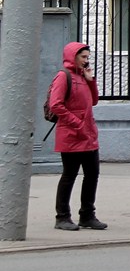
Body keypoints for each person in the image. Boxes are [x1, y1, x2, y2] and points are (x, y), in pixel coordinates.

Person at [49, 42, 107, 230]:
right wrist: (77, 123)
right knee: (69, 176)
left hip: (88, 134)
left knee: (92, 174)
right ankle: (62, 217)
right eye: (83, 56)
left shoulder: (82, 76)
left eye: (87, 57)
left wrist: (91, 80)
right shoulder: (63, 76)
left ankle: (87, 215)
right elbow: (55, 105)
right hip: (72, 135)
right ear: (72, 56)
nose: (86, 60)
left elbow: (95, 101)